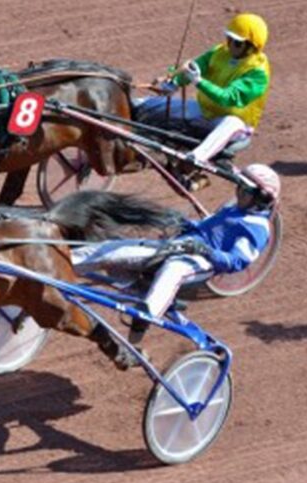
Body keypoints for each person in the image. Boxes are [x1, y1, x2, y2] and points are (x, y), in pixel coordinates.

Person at [71, 163, 280, 350]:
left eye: (245, 190)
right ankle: (67, 262)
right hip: (178, 246)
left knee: (174, 268)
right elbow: (206, 228)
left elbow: (236, 262)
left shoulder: (256, 228)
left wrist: (205, 250)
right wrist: (185, 223)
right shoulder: (233, 208)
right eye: (239, 186)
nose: (238, 192)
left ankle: (147, 314)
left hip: (200, 262)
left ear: (261, 198)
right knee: (118, 250)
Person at [135, 13, 272, 180]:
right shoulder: (219, 52)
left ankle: (196, 158)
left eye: (236, 42)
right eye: (228, 38)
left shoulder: (258, 73)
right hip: (204, 111)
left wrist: (199, 82)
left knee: (232, 122)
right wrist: (174, 82)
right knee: (145, 104)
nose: (229, 45)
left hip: (235, 127)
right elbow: (193, 69)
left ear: (251, 47)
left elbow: (228, 98)